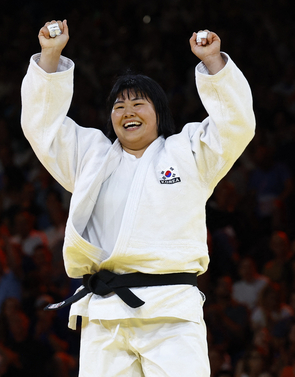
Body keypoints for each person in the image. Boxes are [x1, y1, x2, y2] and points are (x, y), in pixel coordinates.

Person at [21, 19, 255, 376]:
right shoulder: (91, 156)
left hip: (172, 313)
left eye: (138, 104)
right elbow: (43, 127)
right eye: (119, 107)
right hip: (105, 315)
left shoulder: (188, 152)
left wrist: (213, 64)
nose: (127, 112)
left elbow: (235, 125)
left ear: (158, 114)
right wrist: (50, 54)